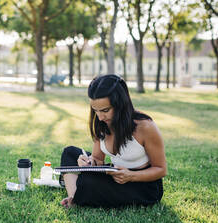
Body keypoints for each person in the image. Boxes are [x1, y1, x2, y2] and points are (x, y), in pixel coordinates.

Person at [59, 74, 166, 208]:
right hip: (116, 178)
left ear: (120, 104)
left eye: (105, 110)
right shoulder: (102, 123)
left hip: (143, 187)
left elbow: (161, 169)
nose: (100, 117)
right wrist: (88, 162)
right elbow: (97, 159)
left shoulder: (145, 126)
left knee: (88, 181)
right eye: (95, 110)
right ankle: (75, 197)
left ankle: (80, 194)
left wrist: (131, 176)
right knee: (69, 153)